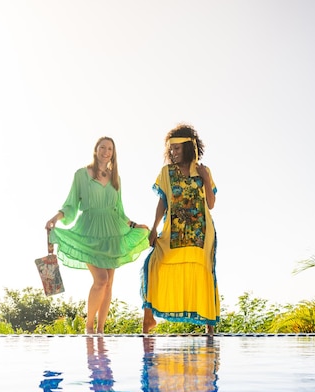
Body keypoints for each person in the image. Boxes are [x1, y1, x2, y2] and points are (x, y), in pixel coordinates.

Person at [45, 136, 149, 334]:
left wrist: (135, 225)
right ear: (96, 149)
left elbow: (119, 211)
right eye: (103, 147)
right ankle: (89, 327)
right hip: (90, 231)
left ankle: (101, 329)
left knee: (109, 283)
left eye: (110, 148)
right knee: (100, 279)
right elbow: (71, 203)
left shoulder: (116, 178)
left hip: (112, 232)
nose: (106, 151)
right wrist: (56, 218)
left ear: (113, 153)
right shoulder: (81, 175)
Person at [142, 124, 219, 335]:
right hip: (173, 231)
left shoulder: (204, 171)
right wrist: (154, 227)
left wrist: (205, 178)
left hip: (201, 233)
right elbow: (163, 202)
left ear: (188, 147)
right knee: (154, 263)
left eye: (177, 148)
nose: (173, 153)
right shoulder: (166, 173)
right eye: (171, 149)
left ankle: (209, 325)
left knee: (204, 272)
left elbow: (211, 204)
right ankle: (148, 319)